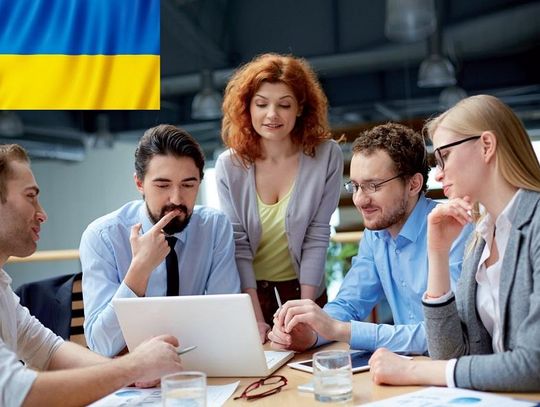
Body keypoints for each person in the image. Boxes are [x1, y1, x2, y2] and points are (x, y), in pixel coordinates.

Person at [368, 95, 540, 392]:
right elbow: (449, 354)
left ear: (487, 146)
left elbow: (533, 365)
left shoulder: (535, 223)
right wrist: (437, 252)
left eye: (444, 156)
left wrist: (413, 371)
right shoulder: (481, 239)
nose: (437, 173)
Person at [0, 144, 183, 407]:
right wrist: (134, 366)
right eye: (31, 197)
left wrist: (135, 373)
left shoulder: (2, 288)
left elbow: (50, 351)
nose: (42, 214)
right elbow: (19, 393)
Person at [269, 123, 472, 354]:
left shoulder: (456, 229)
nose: (360, 200)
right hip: (406, 369)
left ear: (413, 184)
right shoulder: (376, 235)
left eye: (372, 186)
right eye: (355, 186)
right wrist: (311, 333)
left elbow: (444, 334)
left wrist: (339, 330)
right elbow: (349, 303)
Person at [215, 53, 343, 342]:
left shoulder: (325, 156)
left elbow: (317, 234)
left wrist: (306, 312)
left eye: (284, 104)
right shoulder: (229, 165)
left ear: (300, 108)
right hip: (251, 295)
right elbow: (239, 246)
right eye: (261, 104)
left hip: (305, 291)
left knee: (309, 366)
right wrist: (256, 319)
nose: (272, 115)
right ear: (247, 108)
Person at [81, 124, 240, 357]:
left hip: (201, 364)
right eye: (162, 185)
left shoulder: (214, 227)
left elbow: (228, 320)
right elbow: (101, 345)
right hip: (132, 375)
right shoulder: (102, 237)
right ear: (139, 183)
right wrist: (140, 270)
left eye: (188, 185)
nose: (176, 198)